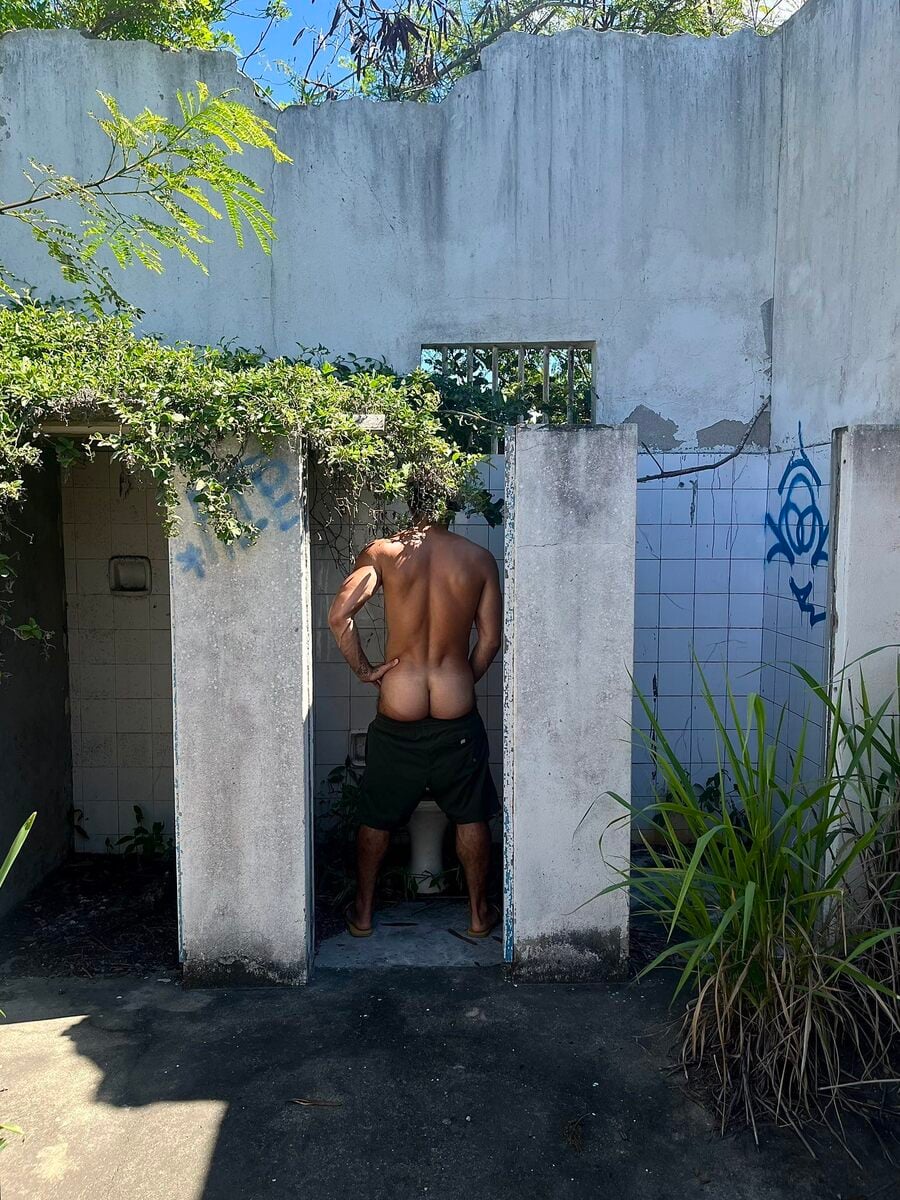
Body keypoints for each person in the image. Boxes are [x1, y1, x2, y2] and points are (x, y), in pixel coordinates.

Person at [328, 490, 502, 940]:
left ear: (410, 502)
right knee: (470, 814)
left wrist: (366, 671)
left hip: (399, 706)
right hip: (455, 707)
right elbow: (490, 641)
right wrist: (461, 678)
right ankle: (479, 916)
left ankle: (363, 914)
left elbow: (339, 616)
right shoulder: (479, 559)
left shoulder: (383, 553)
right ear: (451, 505)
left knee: (377, 815)